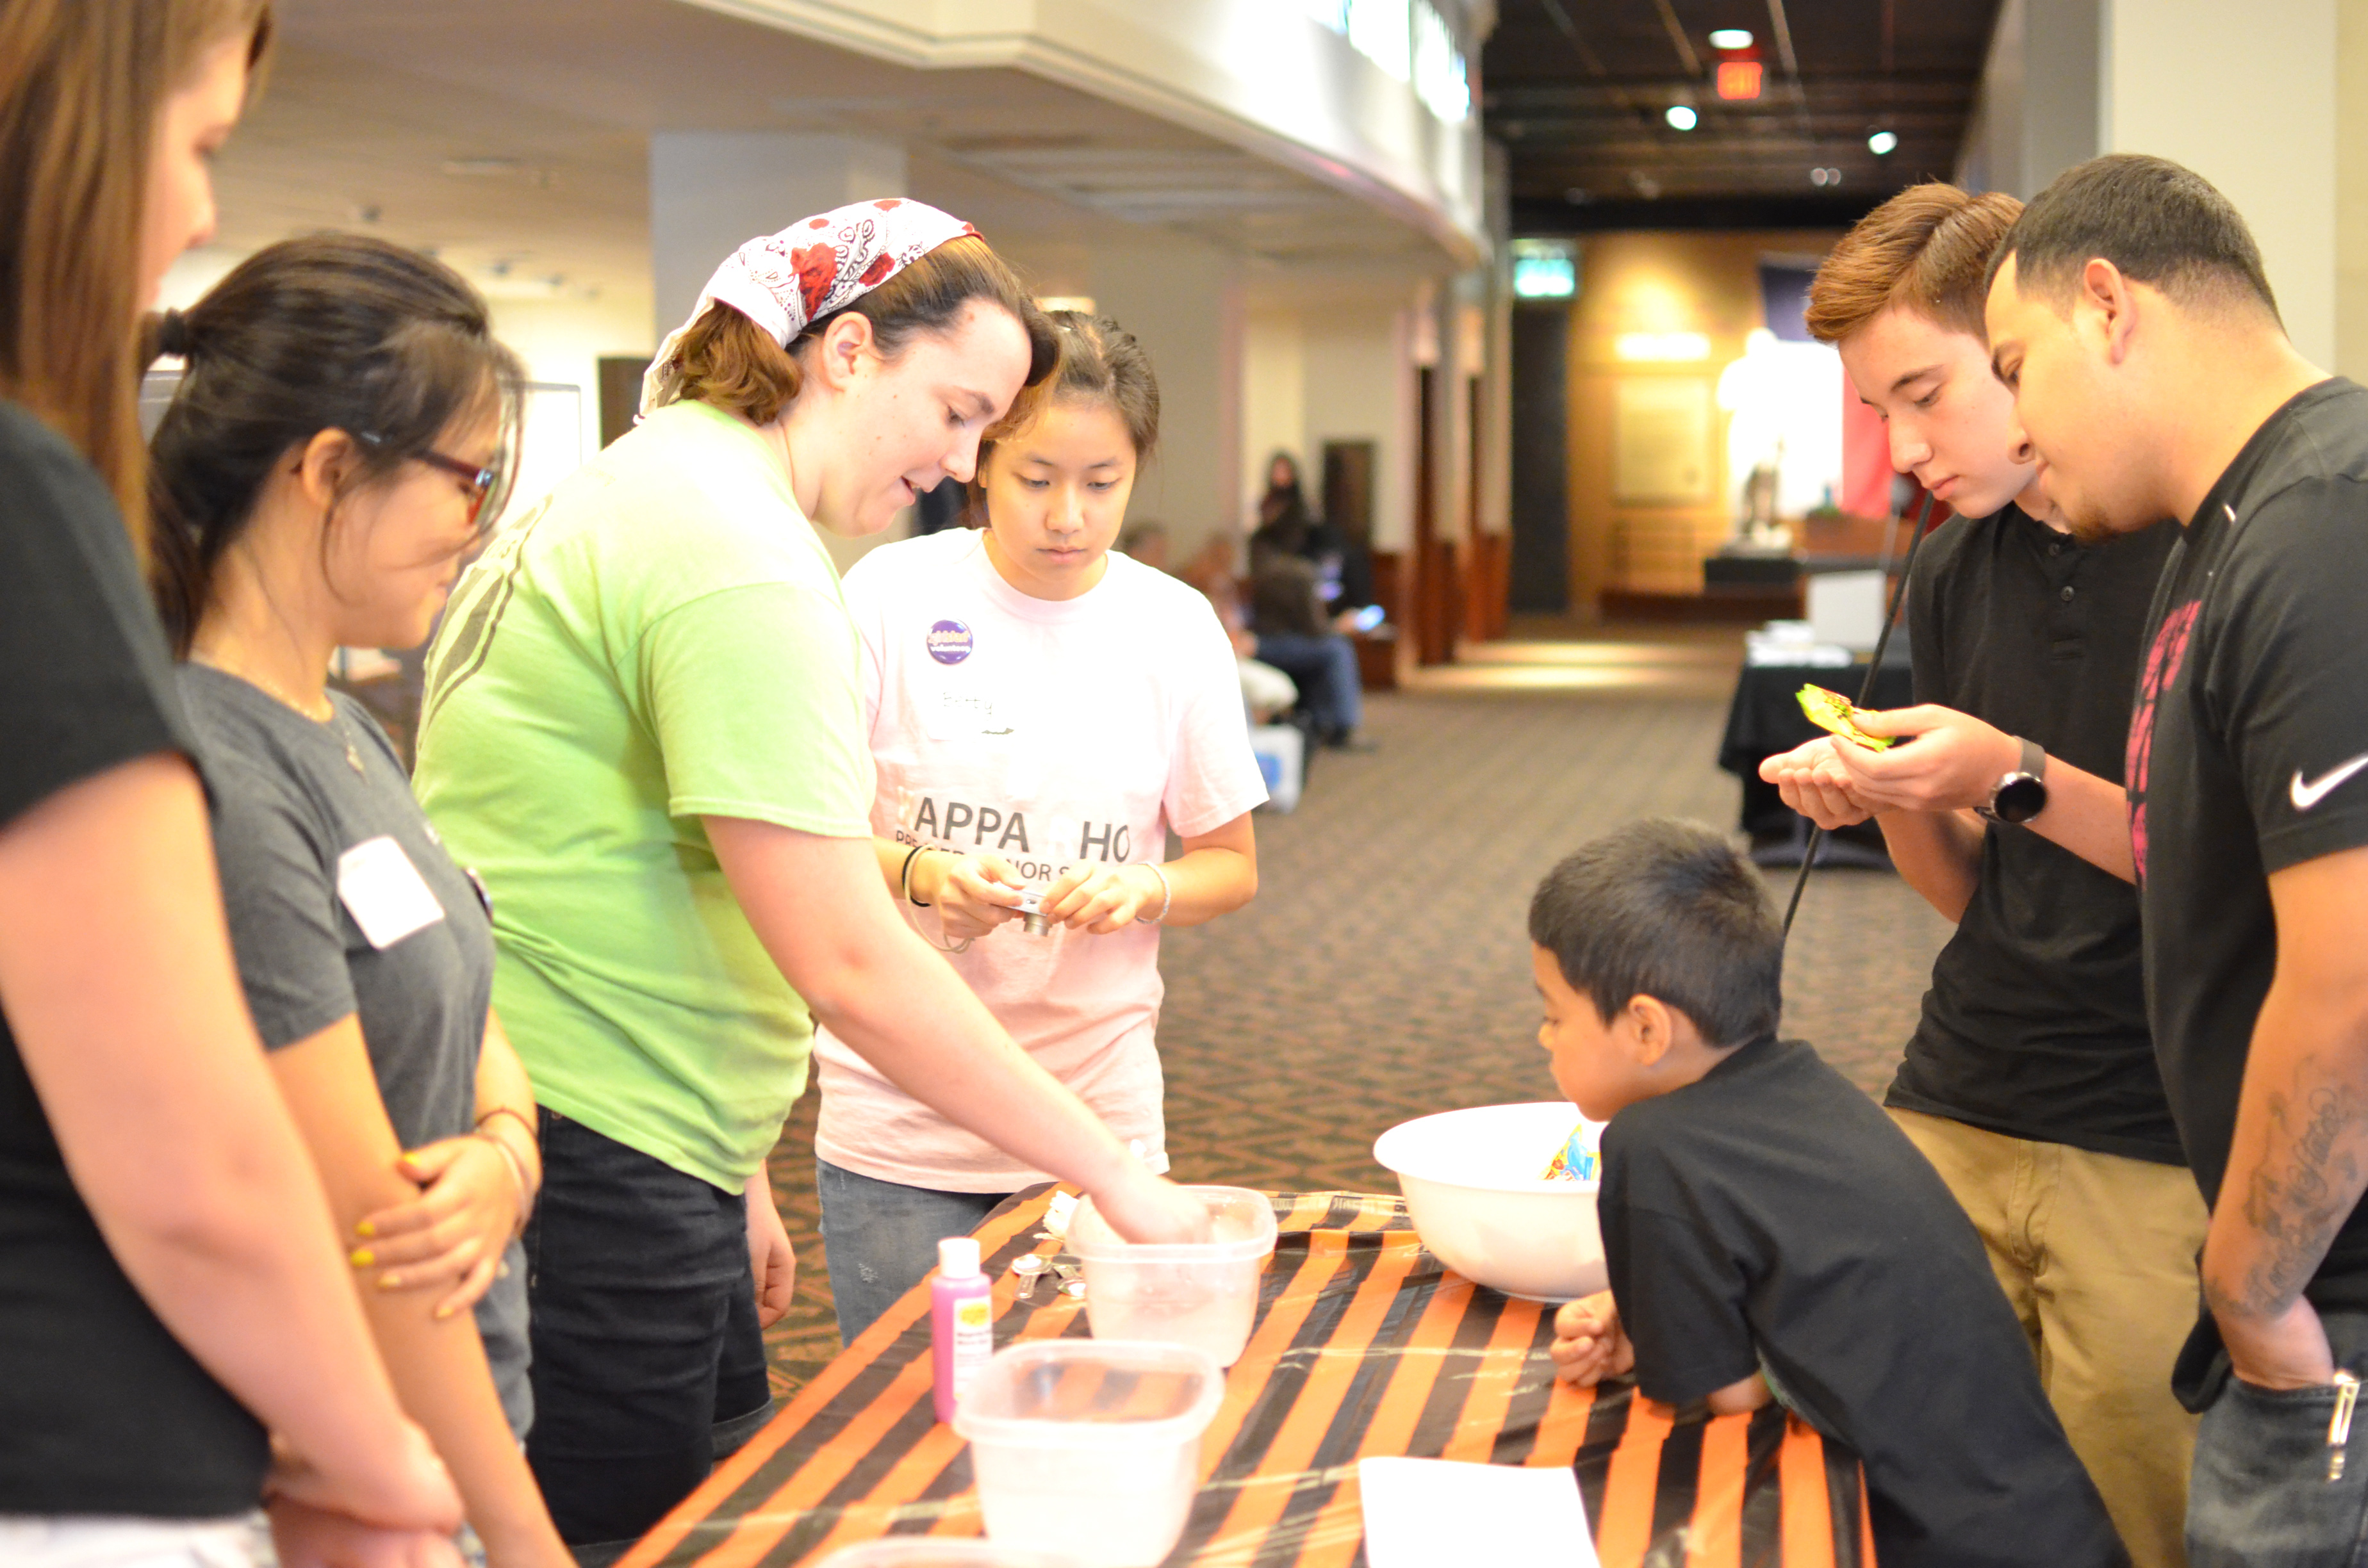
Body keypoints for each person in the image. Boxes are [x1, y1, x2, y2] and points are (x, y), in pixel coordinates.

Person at [411, 200, 1208, 1560]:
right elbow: (847, 956)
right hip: (595, 1131)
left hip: (632, 1113)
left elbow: (663, 867)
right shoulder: (740, 560)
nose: (963, 463)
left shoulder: (662, 477)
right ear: (846, 353)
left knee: (708, 1505)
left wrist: (739, 1172)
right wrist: (1108, 1173)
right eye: (956, 413)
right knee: (627, 1531)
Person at [0, 3, 465, 1565]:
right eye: (196, 144)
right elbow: (191, 1158)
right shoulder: (20, 498)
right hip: (86, 1475)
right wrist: (377, 1457)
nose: (201, 209)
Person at [1755, 183, 2201, 1568]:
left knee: (2137, 1516)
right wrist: (1889, 800)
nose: (1903, 449)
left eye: (1928, 395)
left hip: (2157, 1127)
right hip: (1962, 1085)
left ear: (2030, 344)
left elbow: (2237, 884)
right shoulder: (1953, 569)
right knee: (1900, 1485)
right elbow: (1976, 893)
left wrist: (2005, 769)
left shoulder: (2218, 555)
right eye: (1878, 412)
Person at [148, 234, 571, 1568]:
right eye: (472, 479)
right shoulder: (216, 768)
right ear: (329, 470)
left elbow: (456, 980)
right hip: (353, 1480)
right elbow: (370, 1228)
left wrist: (507, 1148)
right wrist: (523, 1541)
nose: (484, 523)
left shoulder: (341, 720)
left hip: (453, 1426)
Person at [1984, 154, 2368, 1567]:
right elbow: (2209, 875)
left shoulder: (2328, 521)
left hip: (2328, 1328)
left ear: (2106, 304)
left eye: (2015, 367)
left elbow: (2356, 983)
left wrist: (2251, 1286)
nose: (2016, 427)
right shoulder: (2230, 531)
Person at [814, 311, 1265, 1339]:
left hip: (1097, 1111)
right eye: (1035, 479)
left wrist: (1144, 888)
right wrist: (923, 872)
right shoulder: (890, 596)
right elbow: (812, 843)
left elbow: (1229, 867)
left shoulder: (1172, 627)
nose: (1069, 514)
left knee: (1108, 1398)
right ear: (979, 462)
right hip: (902, 1124)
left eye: (1102, 484)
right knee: (907, 1432)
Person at [1536, 820, 2125, 1567]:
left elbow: (1732, 1413)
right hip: (2045, 1523)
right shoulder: (1807, 1090)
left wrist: (1673, 1332)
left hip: (1919, 1540)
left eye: (1555, 1015)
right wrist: (1655, 1315)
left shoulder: (1653, 1144)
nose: (1544, 1038)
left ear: (1647, 1029)